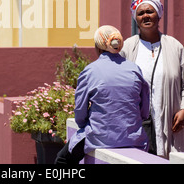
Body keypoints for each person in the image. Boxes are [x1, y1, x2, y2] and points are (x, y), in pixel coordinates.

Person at [55, 25, 150, 164]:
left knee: (62, 160)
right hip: (133, 138)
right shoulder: (135, 69)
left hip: (100, 137)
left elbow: (80, 113)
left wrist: (84, 124)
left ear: (98, 47)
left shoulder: (90, 71)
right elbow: (144, 111)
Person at [120, 0, 184, 159]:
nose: (145, 16)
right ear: (136, 18)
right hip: (139, 123)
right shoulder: (128, 47)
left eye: (150, 11)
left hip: (171, 123)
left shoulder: (175, 46)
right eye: (140, 13)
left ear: (159, 15)